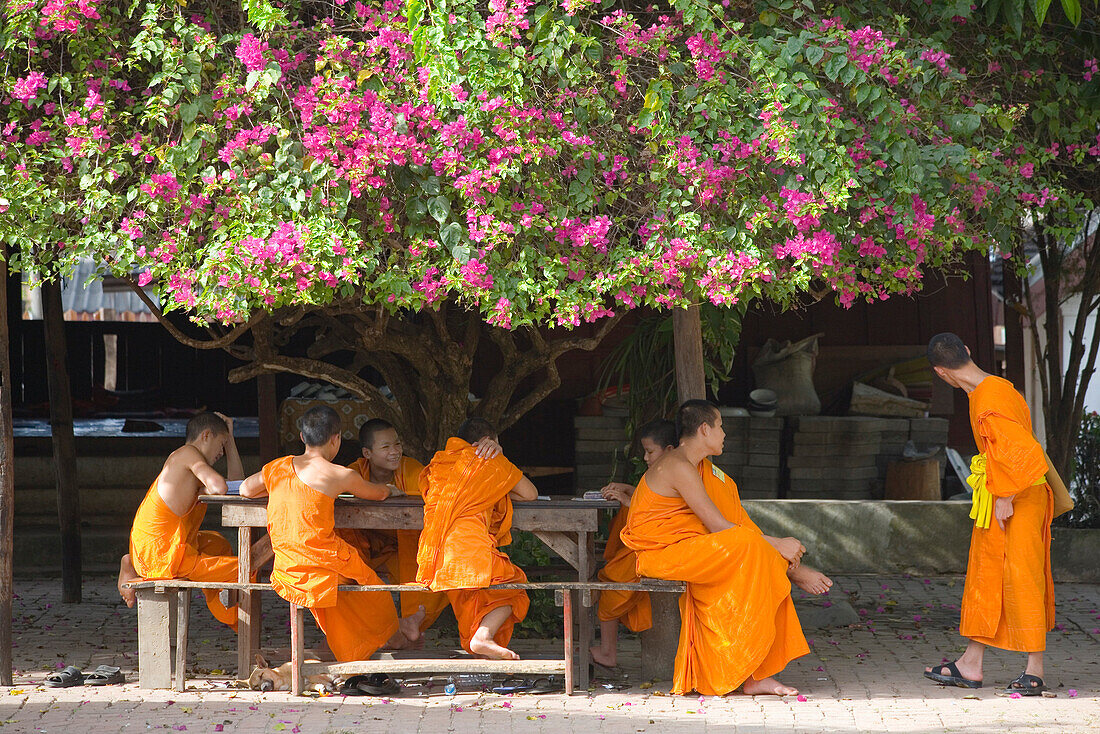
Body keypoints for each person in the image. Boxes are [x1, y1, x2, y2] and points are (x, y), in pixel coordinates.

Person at [621, 400, 831, 696]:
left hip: (688, 549)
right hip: (662, 555)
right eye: (720, 426)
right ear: (705, 429)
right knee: (750, 546)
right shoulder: (679, 465)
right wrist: (777, 543)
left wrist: (772, 547)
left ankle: (760, 673)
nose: (724, 434)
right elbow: (718, 525)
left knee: (760, 562)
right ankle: (788, 570)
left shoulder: (697, 467)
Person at [923, 332, 1055, 696]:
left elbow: (1024, 452)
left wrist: (1006, 495)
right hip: (1003, 494)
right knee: (988, 576)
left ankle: (1035, 670)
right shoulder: (994, 387)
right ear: (967, 350)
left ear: (940, 373)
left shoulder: (987, 401)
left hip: (1017, 498)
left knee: (1021, 577)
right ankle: (971, 664)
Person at [240, 406, 424, 661]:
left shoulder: (277, 468)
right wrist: (390, 490)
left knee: (355, 588)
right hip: (324, 565)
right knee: (375, 590)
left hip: (286, 567)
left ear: (303, 438)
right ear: (336, 439)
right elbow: (378, 493)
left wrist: (275, 486)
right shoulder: (340, 474)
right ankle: (393, 633)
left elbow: (246, 490)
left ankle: (393, 635)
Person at [416, 417, 537, 660]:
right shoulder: (490, 460)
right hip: (470, 549)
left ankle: (481, 643)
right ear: (488, 442)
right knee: (514, 589)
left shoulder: (439, 463)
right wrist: (499, 456)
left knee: (474, 597)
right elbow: (530, 493)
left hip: (436, 553)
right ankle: (482, 637)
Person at [118, 412, 244, 628]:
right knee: (244, 569)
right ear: (206, 435)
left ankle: (131, 560)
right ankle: (238, 626)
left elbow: (237, 485)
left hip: (168, 545)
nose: (221, 453)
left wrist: (230, 440)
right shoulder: (187, 454)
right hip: (161, 556)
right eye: (221, 444)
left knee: (218, 544)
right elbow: (220, 487)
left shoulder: (191, 464)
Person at [591, 419, 678, 669]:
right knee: (607, 578)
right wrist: (628, 489)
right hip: (648, 544)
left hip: (658, 547)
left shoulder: (679, 471)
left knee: (609, 582)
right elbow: (651, 499)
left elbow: (666, 514)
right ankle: (607, 650)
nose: (646, 458)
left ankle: (608, 652)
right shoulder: (662, 471)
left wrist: (628, 502)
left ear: (670, 450)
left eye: (650, 451)